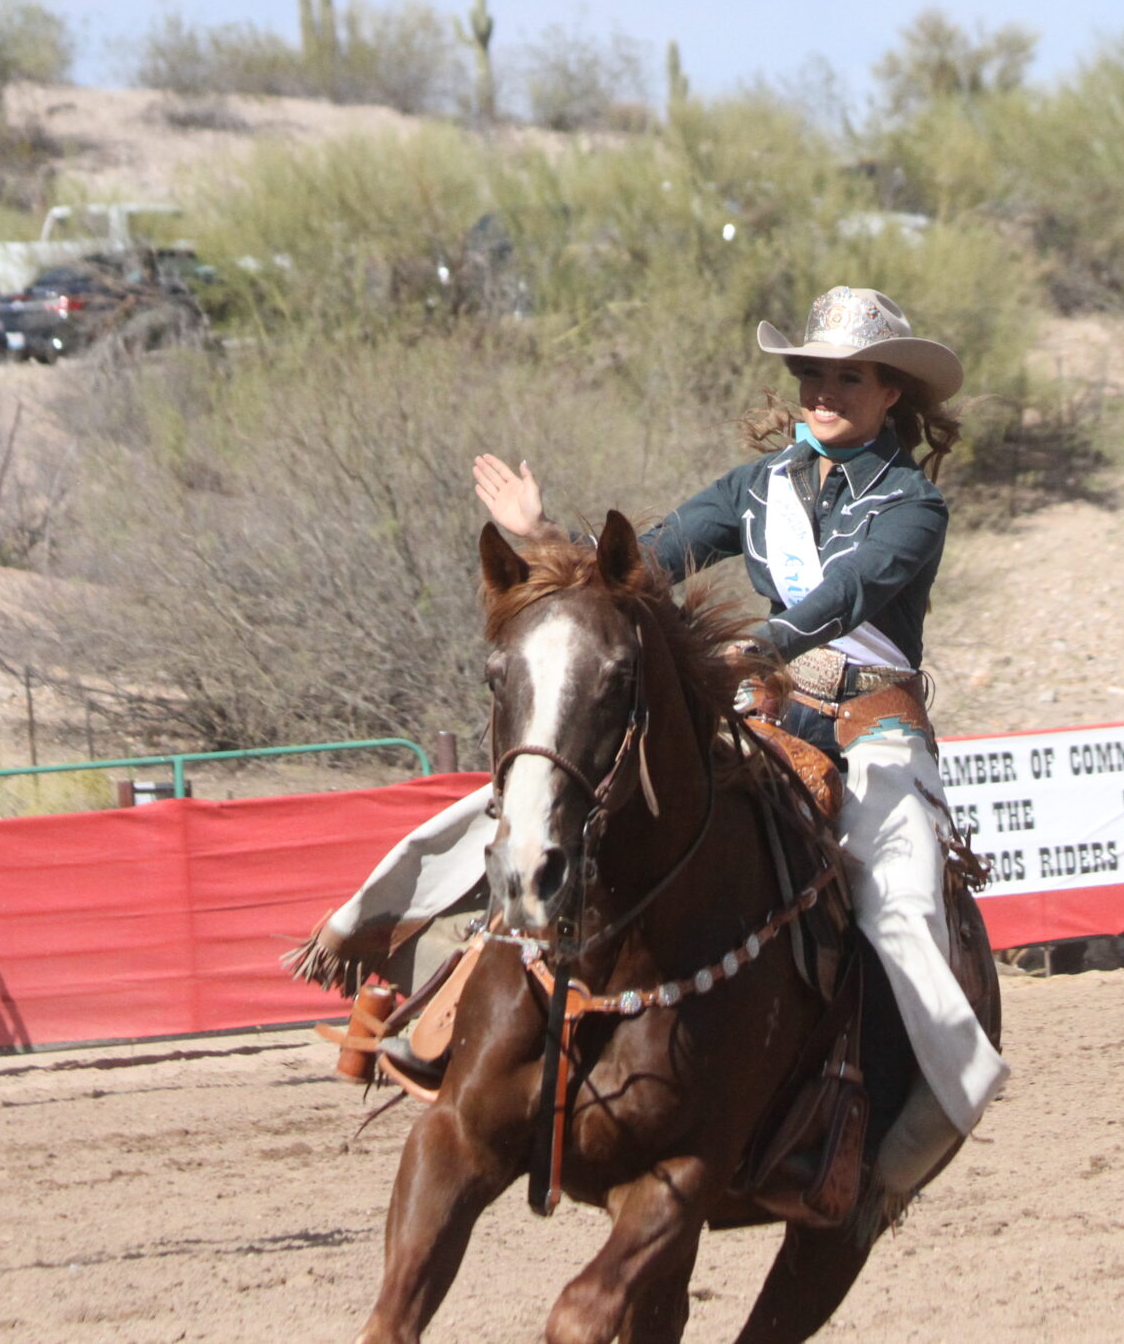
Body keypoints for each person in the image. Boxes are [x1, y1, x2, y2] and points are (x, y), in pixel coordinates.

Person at [307, 286, 1007, 1209]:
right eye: (812, 373)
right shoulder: (755, 488)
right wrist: (542, 536)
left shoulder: (915, 504)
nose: (824, 391)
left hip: (869, 727)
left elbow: (850, 591)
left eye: (849, 377)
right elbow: (643, 567)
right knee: (543, 804)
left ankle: (903, 1135)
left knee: (904, 908)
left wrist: (766, 643)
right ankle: (393, 969)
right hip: (764, 712)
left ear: (891, 394)